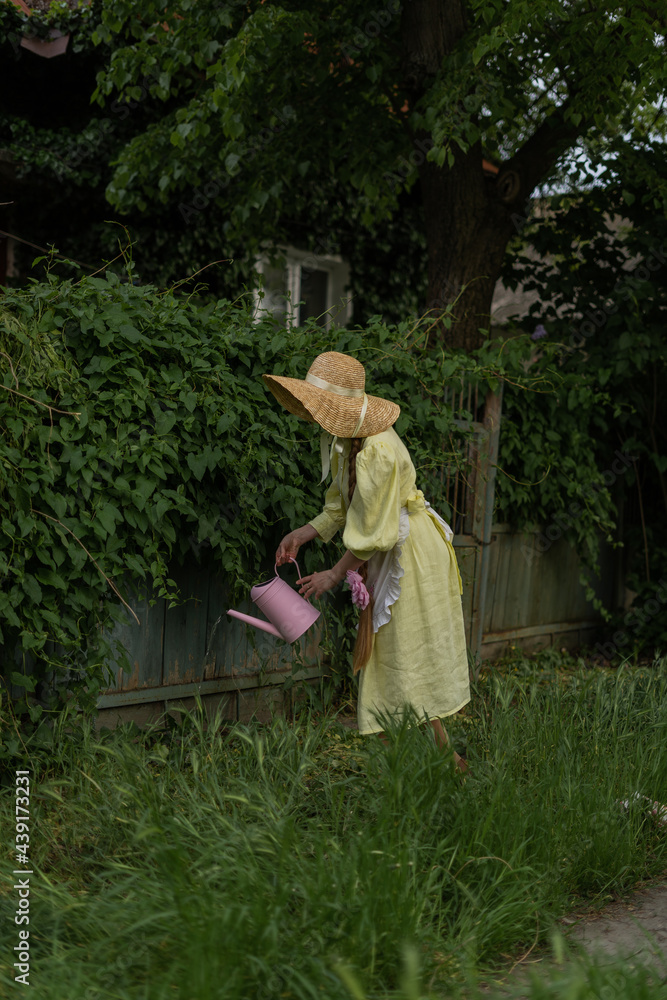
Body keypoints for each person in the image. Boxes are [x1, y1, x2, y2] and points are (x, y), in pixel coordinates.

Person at [263, 351, 470, 772]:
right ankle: (441, 759)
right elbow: (343, 507)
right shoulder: (348, 442)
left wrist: (336, 574)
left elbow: (375, 530)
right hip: (389, 547)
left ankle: (428, 761)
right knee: (398, 652)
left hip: (409, 554)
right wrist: (303, 534)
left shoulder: (377, 448)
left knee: (408, 650)